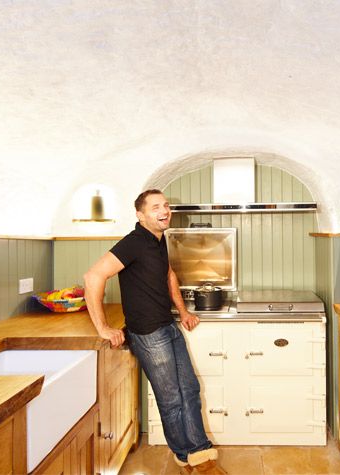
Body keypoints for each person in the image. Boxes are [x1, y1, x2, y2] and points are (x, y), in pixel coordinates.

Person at [84, 189, 227, 475]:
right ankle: (186, 456)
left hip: (167, 325)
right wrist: (102, 327)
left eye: (166, 206)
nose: (164, 211)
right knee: (171, 398)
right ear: (140, 215)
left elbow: (168, 274)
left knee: (190, 388)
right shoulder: (134, 242)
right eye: (155, 207)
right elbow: (93, 276)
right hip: (148, 333)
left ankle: (200, 451)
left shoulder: (158, 239)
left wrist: (183, 312)